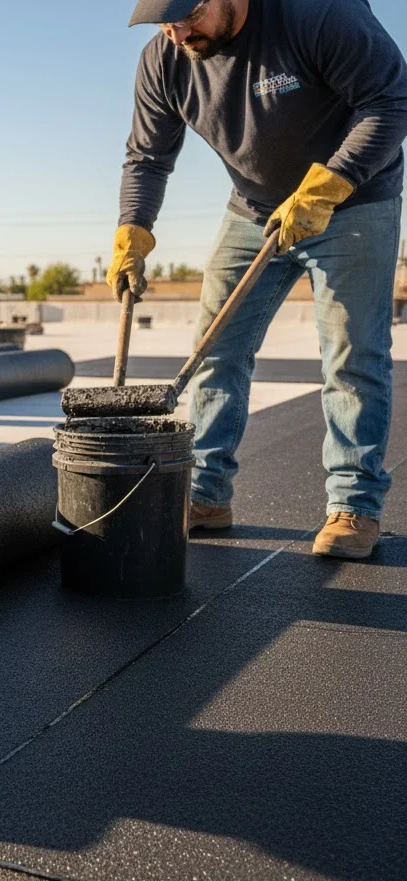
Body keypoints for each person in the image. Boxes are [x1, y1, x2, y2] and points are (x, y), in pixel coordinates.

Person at [107, 0, 407, 559]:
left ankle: (353, 505)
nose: (177, 33)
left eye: (187, 15)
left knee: (352, 356)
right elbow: (147, 157)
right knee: (215, 351)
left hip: (353, 202)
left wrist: (329, 185)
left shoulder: (318, 15)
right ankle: (204, 494)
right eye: (163, 22)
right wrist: (133, 229)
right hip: (252, 210)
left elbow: (390, 99)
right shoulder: (165, 60)